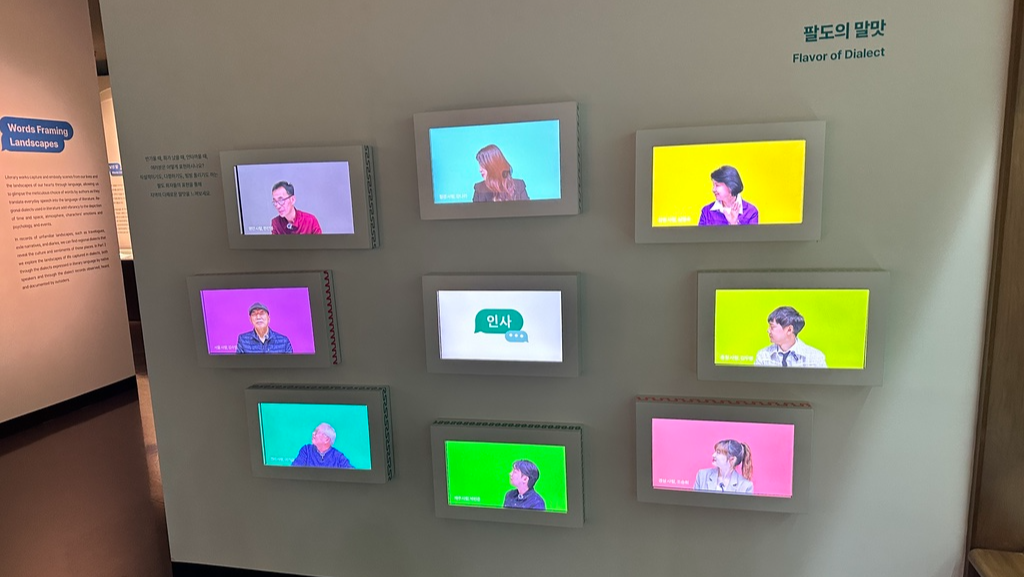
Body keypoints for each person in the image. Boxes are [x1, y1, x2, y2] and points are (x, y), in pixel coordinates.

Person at [753, 306, 828, 368]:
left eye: (772, 327)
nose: (768, 330)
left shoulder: (815, 357)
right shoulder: (763, 355)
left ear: (789, 330)